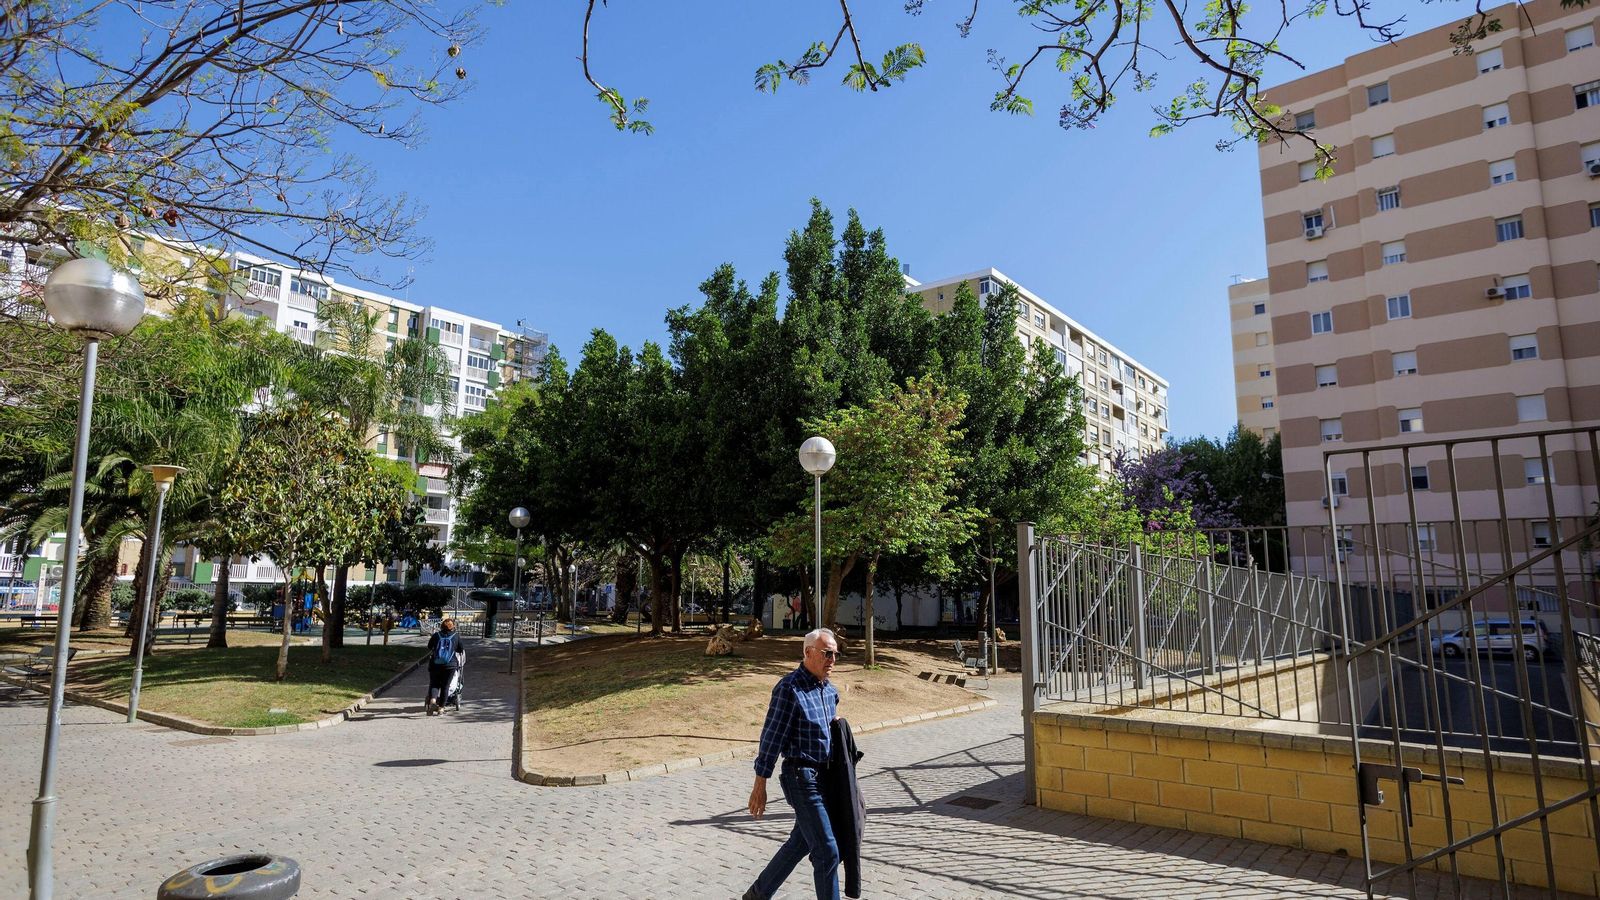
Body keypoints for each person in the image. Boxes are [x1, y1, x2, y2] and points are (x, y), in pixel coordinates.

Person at [743, 628, 844, 900]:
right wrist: (760, 785)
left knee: (800, 842)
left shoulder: (830, 691)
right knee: (827, 851)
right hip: (800, 777)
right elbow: (771, 738)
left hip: (824, 778)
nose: (833, 660)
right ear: (808, 652)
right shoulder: (789, 688)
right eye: (827, 653)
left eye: (835, 654)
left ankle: (757, 895)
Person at [424, 618, 463, 716]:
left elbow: (429, 646)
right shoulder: (456, 636)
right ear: (453, 626)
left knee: (434, 684)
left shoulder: (436, 635)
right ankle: (441, 709)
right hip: (450, 665)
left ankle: (433, 701)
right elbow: (461, 649)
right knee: (445, 686)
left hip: (435, 664)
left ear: (442, 626)